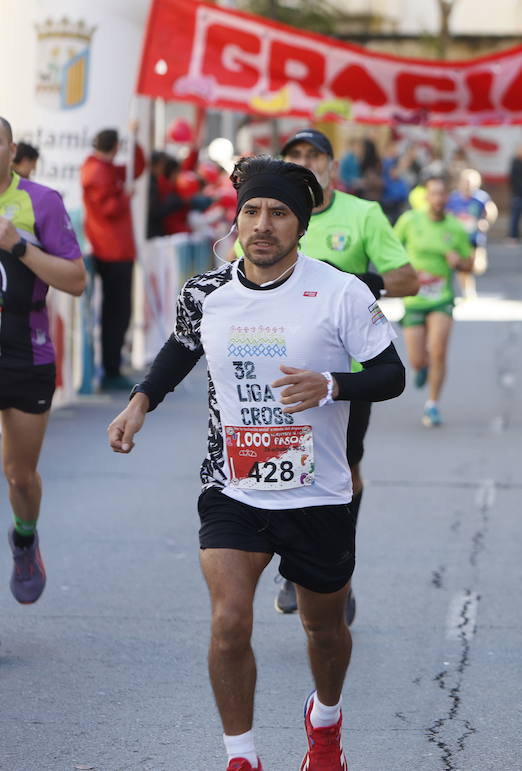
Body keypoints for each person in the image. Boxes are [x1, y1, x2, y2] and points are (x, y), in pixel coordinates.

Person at [106, 156, 403, 771]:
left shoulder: (339, 291)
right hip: (232, 485)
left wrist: (331, 385)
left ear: (301, 225)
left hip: (317, 490)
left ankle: (325, 722)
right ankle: (241, 757)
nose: (263, 224)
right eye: (252, 211)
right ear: (237, 219)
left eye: (278, 213)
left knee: (324, 631)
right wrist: (140, 402)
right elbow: (182, 347)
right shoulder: (207, 292)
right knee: (228, 622)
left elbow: (391, 374)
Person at [276, 128, 419, 620]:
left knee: (342, 472)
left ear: (332, 166)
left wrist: (353, 283)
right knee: (278, 465)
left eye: (313, 155)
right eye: (294, 156)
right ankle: (294, 566)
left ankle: (339, 572)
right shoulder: (271, 214)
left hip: (347, 373)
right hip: (279, 368)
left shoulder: (363, 214)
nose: (305, 162)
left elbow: (407, 278)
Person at [0, 116, 87, 605]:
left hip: (24, 350)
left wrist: (18, 245)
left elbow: (75, 280)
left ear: (11, 149)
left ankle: (25, 538)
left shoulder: (42, 202)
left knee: (19, 475)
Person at [394, 176, 472, 428]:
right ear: (426, 197)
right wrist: (406, 273)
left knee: (438, 349)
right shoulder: (410, 221)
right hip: (414, 298)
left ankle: (432, 405)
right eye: (434, 194)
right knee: (417, 359)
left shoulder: (455, 228)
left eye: (442, 194)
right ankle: (422, 367)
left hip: (442, 298)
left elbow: (471, 262)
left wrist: (458, 263)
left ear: (447, 198)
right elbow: (391, 249)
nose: (438, 199)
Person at [81, 124, 146, 391]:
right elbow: (108, 208)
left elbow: (138, 167)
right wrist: (125, 195)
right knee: (116, 312)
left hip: (115, 248)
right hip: (111, 249)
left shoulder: (102, 168)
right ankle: (110, 369)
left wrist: (135, 137)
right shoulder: (97, 171)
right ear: (114, 146)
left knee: (117, 311)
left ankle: (112, 366)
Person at [445, 168, 497, 299]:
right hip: (459, 238)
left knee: (476, 266)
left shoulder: (481, 197)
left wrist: (485, 222)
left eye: (471, 183)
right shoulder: (454, 198)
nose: (468, 185)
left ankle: (469, 286)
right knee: (462, 266)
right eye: (466, 182)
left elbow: (491, 211)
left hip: (475, 237)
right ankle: (467, 292)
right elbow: (447, 214)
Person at [508, 146, 522, 241]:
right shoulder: (516, 163)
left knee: (518, 216)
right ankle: (513, 234)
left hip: (520, 193)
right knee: (515, 215)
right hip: (517, 193)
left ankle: (516, 234)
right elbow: (513, 179)